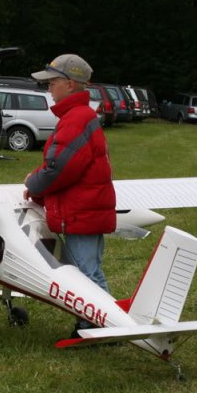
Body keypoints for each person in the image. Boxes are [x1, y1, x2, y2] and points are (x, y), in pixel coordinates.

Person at [23, 54, 116, 334]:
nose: (49, 88)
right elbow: (64, 163)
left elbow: (59, 169)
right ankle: (99, 324)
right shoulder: (79, 116)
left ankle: (102, 327)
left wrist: (33, 185)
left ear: (70, 84)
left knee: (84, 275)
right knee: (89, 270)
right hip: (85, 208)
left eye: (52, 82)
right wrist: (39, 182)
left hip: (80, 211)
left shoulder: (76, 118)